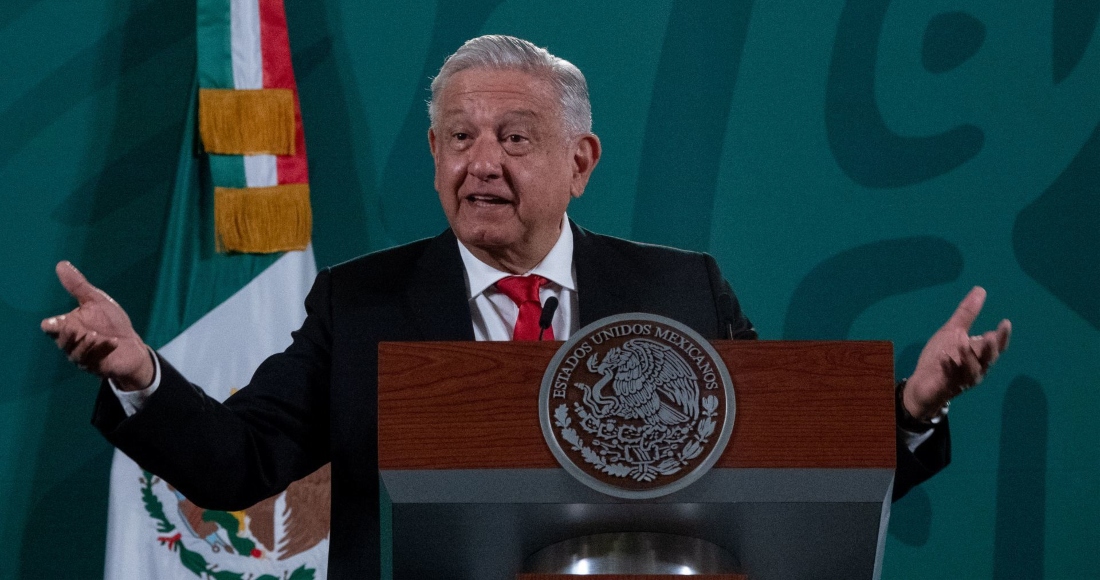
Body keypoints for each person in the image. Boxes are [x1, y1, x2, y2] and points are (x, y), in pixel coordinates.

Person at [41, 35, 1011, 579]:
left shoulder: (678, 292)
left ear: (579, 164)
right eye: (456, 137)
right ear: (431, 159)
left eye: (514, 135)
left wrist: (913, 406)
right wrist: (141, 372)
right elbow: (240, 463)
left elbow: (783, 460)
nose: (480, 162)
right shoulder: (361, 301)